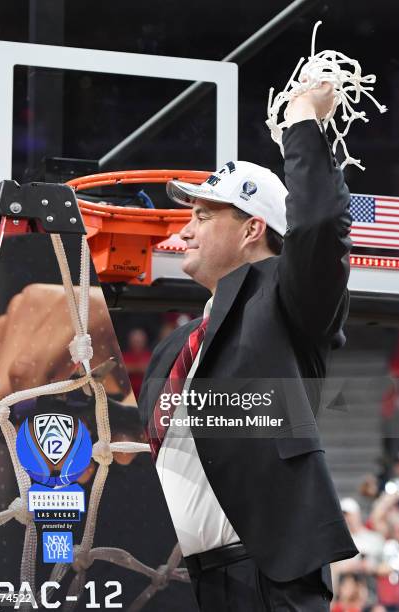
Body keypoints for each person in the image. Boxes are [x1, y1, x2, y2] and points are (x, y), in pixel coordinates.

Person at [137, 82, 358, 611]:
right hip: (175, 585)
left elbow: (321, 226)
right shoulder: (172, 349)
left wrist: (303, 118)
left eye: (204, 216)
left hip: (264, 579)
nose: (185, 232)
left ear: (252, 229)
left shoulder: (286, 303)